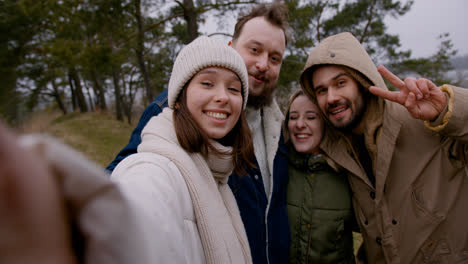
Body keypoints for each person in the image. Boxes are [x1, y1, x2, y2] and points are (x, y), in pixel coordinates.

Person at [107, 3, 291, 263]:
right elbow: (125, 180)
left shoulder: (281, 127)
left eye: (275, 58)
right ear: (230, 49)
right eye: (255, 50)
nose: (263, 64)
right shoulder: (172, 111)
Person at [299, 31, 468, 263]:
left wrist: (447, 108)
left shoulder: (423, 120)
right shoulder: (338, 153)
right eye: (321, 90)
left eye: (340, 83)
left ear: (362, 82)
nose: (331, 98)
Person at [110, 36, 255, 263]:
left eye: (234, 88)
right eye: (207, 83)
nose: (223, 97)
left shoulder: (218, 176)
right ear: (178, 98)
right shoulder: (149, 175)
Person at [283, 89, 356, 264]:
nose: (299, 124)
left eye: (310, 117)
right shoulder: (277, 169)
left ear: (326, 122)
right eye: (293, 117)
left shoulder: (350, 171)